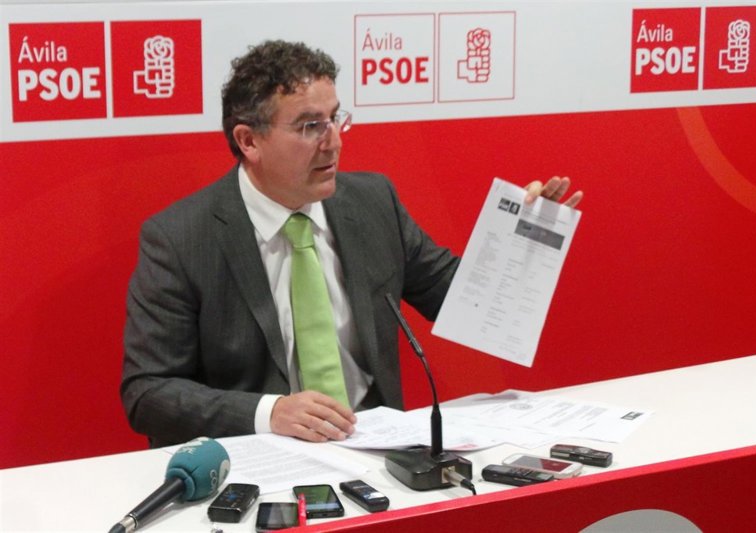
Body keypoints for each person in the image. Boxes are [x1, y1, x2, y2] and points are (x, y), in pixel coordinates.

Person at [121, 40, 583, 448]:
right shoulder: (181, 238)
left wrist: (526, 238)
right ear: (249, 141)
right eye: (310, 126)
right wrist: (269, 413)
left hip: (378, 452)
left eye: (335, 119)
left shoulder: (373, 203)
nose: (334, 142)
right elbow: (148, 393)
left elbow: (470, 307)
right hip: (261, 461)